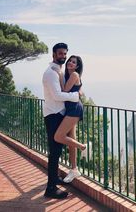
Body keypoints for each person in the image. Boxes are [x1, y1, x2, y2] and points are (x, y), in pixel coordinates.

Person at [42, 43, 80, 199]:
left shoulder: (58, 71)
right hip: (53, 115)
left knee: (56, 150)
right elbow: (58, 95)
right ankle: (51, 188)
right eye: (60, 53)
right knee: (54, 150)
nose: (63, 56)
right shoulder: (51, 73)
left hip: (58, 113)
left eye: (65, 54)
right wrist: (74, 96)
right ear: (53, 54)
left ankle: (54, 179)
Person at [53, 55, 87, 183]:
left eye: (74, 62)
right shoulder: (71, 75)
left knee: (58, 136)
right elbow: (77, 89)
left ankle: (83, 147)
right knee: (70, 139)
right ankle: (74, 169)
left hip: (74, 109)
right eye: (70, 61)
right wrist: (79, 91)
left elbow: (64, 90)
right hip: (70, 109)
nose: (71, 63)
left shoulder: (74, 75)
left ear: (77, 66)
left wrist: (59, 75)